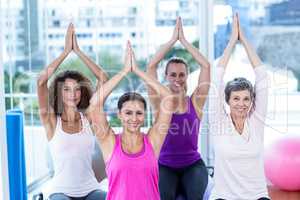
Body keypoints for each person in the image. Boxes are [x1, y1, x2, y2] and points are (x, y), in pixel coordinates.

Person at [90, 42, 174, 200]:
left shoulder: (153, 141)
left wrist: (137, 70)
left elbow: (169, 98)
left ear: (144, 115)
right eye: (128, 113)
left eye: (139, 113)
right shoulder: (109, 142)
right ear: (119, 115)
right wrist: (124, 71)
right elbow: (95, 103)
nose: (134, 119)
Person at [37, 23, 108, 200]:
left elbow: (103, 77)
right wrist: (65, 52)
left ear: (82, 92)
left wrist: (78, 51)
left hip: (91, 189)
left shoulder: (89, 117)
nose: (73, 94)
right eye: (67, 89)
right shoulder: (51, 120)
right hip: (60, 191)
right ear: (59, 92)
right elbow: (40, 82)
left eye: (77, 89)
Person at [146, 17, 210, 200]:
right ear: (165, 76)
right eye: (172, 74)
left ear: (187, 76)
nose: (177, 78)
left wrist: (184, 42)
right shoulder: (159, 104)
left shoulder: (196, 102)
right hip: (165, 165)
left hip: (193, 165)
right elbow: (151, 66)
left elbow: (205, 65)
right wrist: (172, 40)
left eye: (182, 74)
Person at [209, 14, 270, 200]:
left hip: (256, 195)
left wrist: (243, 40)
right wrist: (231, 43)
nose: (241, 104)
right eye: (236, 99)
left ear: (252, 100)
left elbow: (262, 76)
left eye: (246, 99)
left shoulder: (256, 122)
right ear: (227, 100)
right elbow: (217, 78)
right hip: (223, 196)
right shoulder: (219, 122)